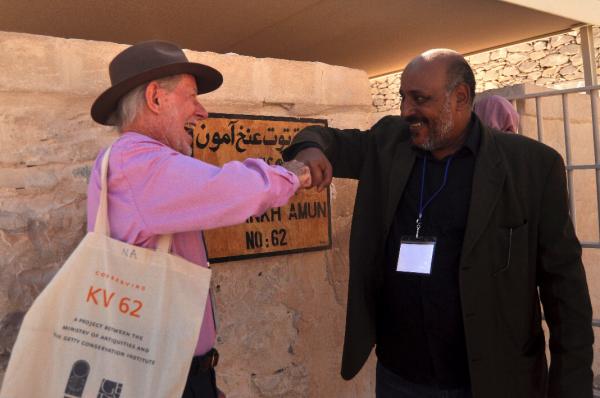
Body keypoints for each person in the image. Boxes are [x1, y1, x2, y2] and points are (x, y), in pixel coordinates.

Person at [283, 49, 593, 398]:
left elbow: (565, 290)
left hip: (494, 381)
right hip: (401, 378)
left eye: (420, 99)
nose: (405, 111)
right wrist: (309, 149)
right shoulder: (388, 144)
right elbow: (326, 139)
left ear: (460, 98)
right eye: (403, 97)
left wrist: (571, 385)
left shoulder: (530, 167)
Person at [87, 40, 311, 398]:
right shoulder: (137, 163)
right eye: (191, 96)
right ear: (156, 98)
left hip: (174, 374)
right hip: (163, 378)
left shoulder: (136, 163)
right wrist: (295, 175)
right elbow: (237, 190)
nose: (202, 112)